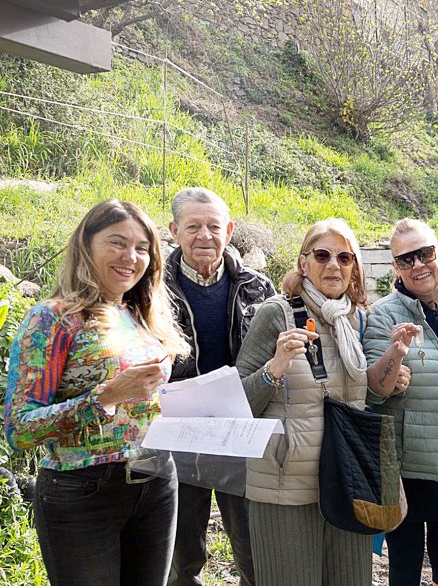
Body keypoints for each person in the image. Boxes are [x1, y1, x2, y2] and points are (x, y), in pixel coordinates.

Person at [5, 198, 190, 586]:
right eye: (117, 242)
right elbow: (20, 430)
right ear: (87, 246)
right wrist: (105, 396)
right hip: (84, 490)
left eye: (142, 248)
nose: (131, 257)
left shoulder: (140, 317)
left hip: (157, 481)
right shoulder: (53, 318)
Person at [234, 218, 399, 586]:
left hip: (347, 479)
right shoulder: (275, 313)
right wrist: (274, 368)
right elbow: (239, 405)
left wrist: (394, 366)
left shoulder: (356, 318)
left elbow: (362, 396)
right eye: (322, 255)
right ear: (304, 262)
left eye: (345, 257)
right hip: (286, 487)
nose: (333, 265)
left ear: (355, 267)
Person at [164, 187, 275, 586]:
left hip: (240, 429)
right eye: (193, 226)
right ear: (175, 230)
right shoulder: (153, 288)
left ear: (228, 230)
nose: (204, 236)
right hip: (180, 432)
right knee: (181, 555)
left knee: (254, 548)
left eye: (213, 226)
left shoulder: (257, 288)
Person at [364, 218, 438, 586]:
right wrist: (394, 359)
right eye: (405, 259)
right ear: (395, 268)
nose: (417, 265)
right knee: (404, 571)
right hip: (408, 471)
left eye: (425, 253)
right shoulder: (384, 315)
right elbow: (372, 392)